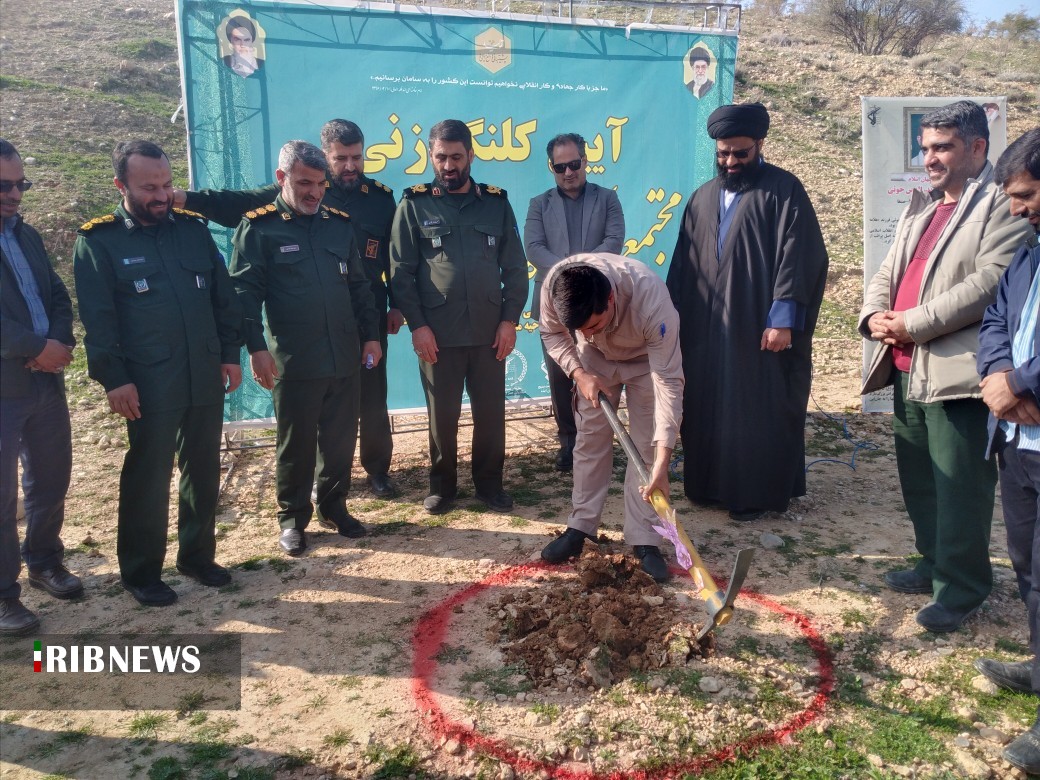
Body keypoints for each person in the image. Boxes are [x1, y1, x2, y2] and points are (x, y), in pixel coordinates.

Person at [860, 100, 1031, 633]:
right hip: (907, 365)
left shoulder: (999, 204)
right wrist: (873, 316)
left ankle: (962, 587)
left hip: (957, 372)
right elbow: (889, 268)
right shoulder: (924, 202)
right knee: (921, 478)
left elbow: (987, 284)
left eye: (942, 147)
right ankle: (933, 562)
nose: (929, 158)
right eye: (926, 147)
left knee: (959, 484)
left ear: (977, 147)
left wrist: (913, 322)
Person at [177, 119, 401, 499]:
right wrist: (186, 199)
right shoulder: (299, 190)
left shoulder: (380, 197)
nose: (349, 166)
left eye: (356, 158)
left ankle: (378, 470)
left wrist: (396, 304)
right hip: (307, 323)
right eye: (341, 158)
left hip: (365, 316)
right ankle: (319, 478)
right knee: (315, 405)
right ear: (325, 157)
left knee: (372, 397)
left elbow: (396, 254)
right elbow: (237, 204)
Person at [74, 140, 243, 606]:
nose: (162, 195)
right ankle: (141, 571)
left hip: (203, 370)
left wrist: (230, 353)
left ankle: (197, 555)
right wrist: (114, 379)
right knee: (149, 475)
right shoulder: (99, 241)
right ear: (121, 185)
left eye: (167, 185)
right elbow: (99, 320)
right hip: (148, 380)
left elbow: (221, 297)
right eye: (150, 187)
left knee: (203, 468)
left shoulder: (191, 230)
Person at [666, 102, 829, 522]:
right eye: (723, 154)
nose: (731, 162)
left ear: (760, 145)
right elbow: (682, 265)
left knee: (757, 405)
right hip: (705, 331)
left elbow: (801, 257)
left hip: (759, 327)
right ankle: (708, 486)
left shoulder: (783, 190)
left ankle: (752, 494)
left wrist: (783, 319)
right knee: (705, 405)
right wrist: (674, 319)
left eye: (741, 153)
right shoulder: (701, 198)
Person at [229, 140, 380, 557]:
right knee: (295, 447)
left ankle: (334, 507)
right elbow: (243, 295)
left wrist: (370, 336)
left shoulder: (337, 224)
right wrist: (256, 350)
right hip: (294, 362)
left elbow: (359, 287)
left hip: (343, 357)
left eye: (320, 183)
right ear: (282, 179)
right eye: (304, 183)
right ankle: (293, 520)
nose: (314, 192)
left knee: (339, 440)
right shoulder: (259, 228)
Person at [390, 119, 528, 515]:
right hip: (438, 333)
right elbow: (400, 273)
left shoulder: (496, 203)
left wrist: (509, 321)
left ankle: (489, 485)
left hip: (489, 332)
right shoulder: (414, 205)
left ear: (470, 154)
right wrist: (418, 326)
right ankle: (442, 487)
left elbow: (515, 269)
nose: (448, 165)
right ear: (430, 157)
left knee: (490, 415)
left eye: (455, 156)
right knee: (442, 416)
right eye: (440, 157)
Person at [538, 255, 683, 583]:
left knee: (646, 446)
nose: (587, 332)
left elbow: (669, 385)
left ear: (611, 299)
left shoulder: (652, 305)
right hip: (594, 362)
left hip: (647, 363)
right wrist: (578, 372)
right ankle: (581, 528)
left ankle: (645, 540)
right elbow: (552, 334)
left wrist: (663, 460)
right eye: (581, 329)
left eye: (594, 325)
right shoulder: (555, 289)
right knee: (589, 440)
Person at [974, 128, 1040, 775]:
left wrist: (1021, 382)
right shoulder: (1027, 255)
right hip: (1019, 439)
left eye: (1024, 195)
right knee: (1028, 564)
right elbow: (996, 320)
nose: (1016, 208)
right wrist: (998, 378)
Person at [0, 139, 81, 634]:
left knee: (51, 478)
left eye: (20, 185)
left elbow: (54, 293)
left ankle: (45, 561)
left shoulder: (24, 235)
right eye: (3, 186)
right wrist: (34, 345)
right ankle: (4, 596)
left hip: (45, 382)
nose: (14, 194)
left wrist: (60, 341)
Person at [524, 132, 625, 472]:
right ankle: (568, 442)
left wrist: (581, 269)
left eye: (574, 164)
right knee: (560, 376)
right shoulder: (539, 204)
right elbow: (534, 248)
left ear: (585, 160)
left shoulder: (608, 199)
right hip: (553, 305)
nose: (568, 172)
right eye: (559, 166)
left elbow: (614, 240)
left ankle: (595, 442)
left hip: (596, 306)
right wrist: (566, 271)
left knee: (596, 373)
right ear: (551, 168)